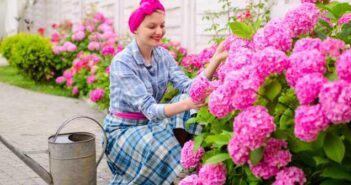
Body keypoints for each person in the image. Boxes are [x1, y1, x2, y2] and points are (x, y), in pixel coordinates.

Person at [103, 0, 228, 184]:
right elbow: (150, 109)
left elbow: (188, 86)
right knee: (166, 146)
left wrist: (215, 61)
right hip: (123, 130)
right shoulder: (122, 62)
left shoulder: (163, 55)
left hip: (150, 123)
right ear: (136, 29)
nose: (159, 31)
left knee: (188, 99)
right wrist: (188, 103)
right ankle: (176, 173)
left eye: (162, 25)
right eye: (152, 26)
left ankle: (189, 163)